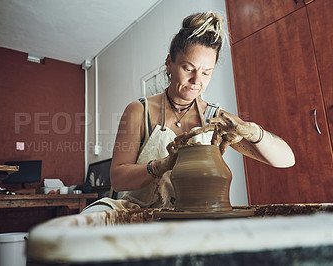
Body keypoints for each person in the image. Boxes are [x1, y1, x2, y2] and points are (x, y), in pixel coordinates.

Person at [81, 11, 295, 213]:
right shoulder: (139, 111)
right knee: (91, 217)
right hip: (139, 212)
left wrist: (253, 132)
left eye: (206, 72)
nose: (196, 81)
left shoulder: (217, 119)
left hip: (195, 214)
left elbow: (286, 160)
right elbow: (118, 179)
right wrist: (162, 166)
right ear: (169, 63)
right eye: (188, 69)